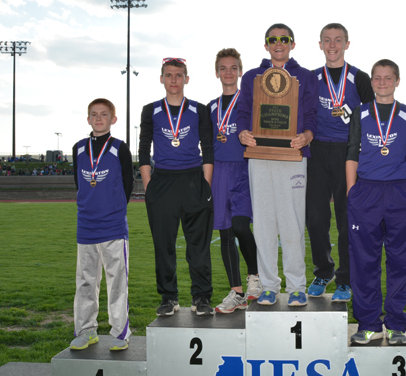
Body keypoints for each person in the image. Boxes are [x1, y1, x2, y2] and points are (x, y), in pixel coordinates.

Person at [237, 23, 317, 307]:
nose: (278, 43)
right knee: (264, 224)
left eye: (284, 39)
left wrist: (307, 135)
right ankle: (269, 285)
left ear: (292, 44)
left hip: (293, 157)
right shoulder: (251, 77)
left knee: (292, 222)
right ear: (266, 44)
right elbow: (243, 113)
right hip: (259, 156)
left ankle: (297, 286)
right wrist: (242, 132)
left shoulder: (305, 77)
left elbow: (311, 114)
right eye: (273, 39)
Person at [346, 60, 406, 345]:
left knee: (401, 261)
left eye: (388, 78)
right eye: (377, 78)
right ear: (373, 81)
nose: (382, 82)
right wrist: (352, 191)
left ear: (397, 81)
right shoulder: (361, 113)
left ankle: (395, 323)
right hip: (366, 192)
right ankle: (368, 323)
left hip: (400, 192)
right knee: (365, 261)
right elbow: (352, 151)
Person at [139, 57, 215, 316]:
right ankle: (169, 298)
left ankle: (201, 297)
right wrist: (149, 185)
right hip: (162, 182)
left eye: (178, 75)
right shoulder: (150, 110)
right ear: (161, 78)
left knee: (199, 245)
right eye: (169, 75)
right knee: (164, 245)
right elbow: (143, 148)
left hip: (193, 179)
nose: (173, 80)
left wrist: (205, 183)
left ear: (186, 79)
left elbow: (208, 147)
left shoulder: (199, 109)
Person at [306, 23, 374, 302]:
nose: (332, 45)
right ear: (320, 44)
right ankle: (324, 271)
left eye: (338, 40)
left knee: (348, 219)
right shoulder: (311, 78)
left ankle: (345, 279)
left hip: (348, 154)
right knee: (315, 218)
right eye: (327, 40)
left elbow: (372, 118)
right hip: (317, 151)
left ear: (347, 44)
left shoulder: (360, 78)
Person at [70, 98, 134, 351]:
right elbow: (79, 183)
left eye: (104, 115)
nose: (98, 118)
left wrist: (114, 210)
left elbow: (128, 184)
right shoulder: (78, 148)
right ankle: (86, 331)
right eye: (94, 115)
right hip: (86, 227)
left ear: (113, 119)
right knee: (85, 282)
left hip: (113, 227)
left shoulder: (119, 148)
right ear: (88, 119)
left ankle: (120, 333)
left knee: (117, 281)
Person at [208, 48, 262, 313]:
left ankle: (255, 277)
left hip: (244, 169)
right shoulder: (210, 108)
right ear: (217, 72)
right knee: (226, 233)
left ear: (240, 71)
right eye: (223, 68)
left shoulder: (249, 103)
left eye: (233, 68)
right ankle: (236, 291)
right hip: (219, 172)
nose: (228, 72)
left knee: (241, 225)